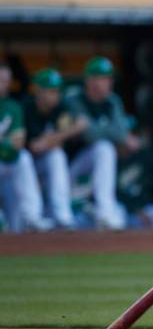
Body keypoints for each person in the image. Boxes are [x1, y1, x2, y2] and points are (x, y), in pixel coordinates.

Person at [66, 56, 133, 230]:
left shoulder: (112, 101)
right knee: (104, 148)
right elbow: (88, 135)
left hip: (90, 178)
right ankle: (104, 211)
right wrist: (105, 130)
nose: (107, 82)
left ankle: (104, 211)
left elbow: (121, 134)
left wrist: (97, 128)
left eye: (108, 78)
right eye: (102, 78)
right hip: (70, 169)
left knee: (121, 216)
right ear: (90, 80)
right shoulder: (75, 99)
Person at [24, 68, 88, 228]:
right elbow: (35, 146)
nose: (56, 95)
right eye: (51, 91)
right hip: (23, 173)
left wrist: (52, 139)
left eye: (57, 91)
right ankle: (34, 217)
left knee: (56, 155)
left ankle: (63, 217)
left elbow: (57, 144)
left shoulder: (62, 107)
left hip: (48, 167)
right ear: (38, 91)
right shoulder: (27, 108)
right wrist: (72, 130)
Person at [0, 63, 53, 232]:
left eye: (6, 80)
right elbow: (12, 139)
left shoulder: (13, 106)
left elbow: (19, 141)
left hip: (8, 161)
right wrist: (7, 141)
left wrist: (6, 142)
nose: (4, 84)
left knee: (23, 157)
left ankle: (33, 217)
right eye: (0, 80)